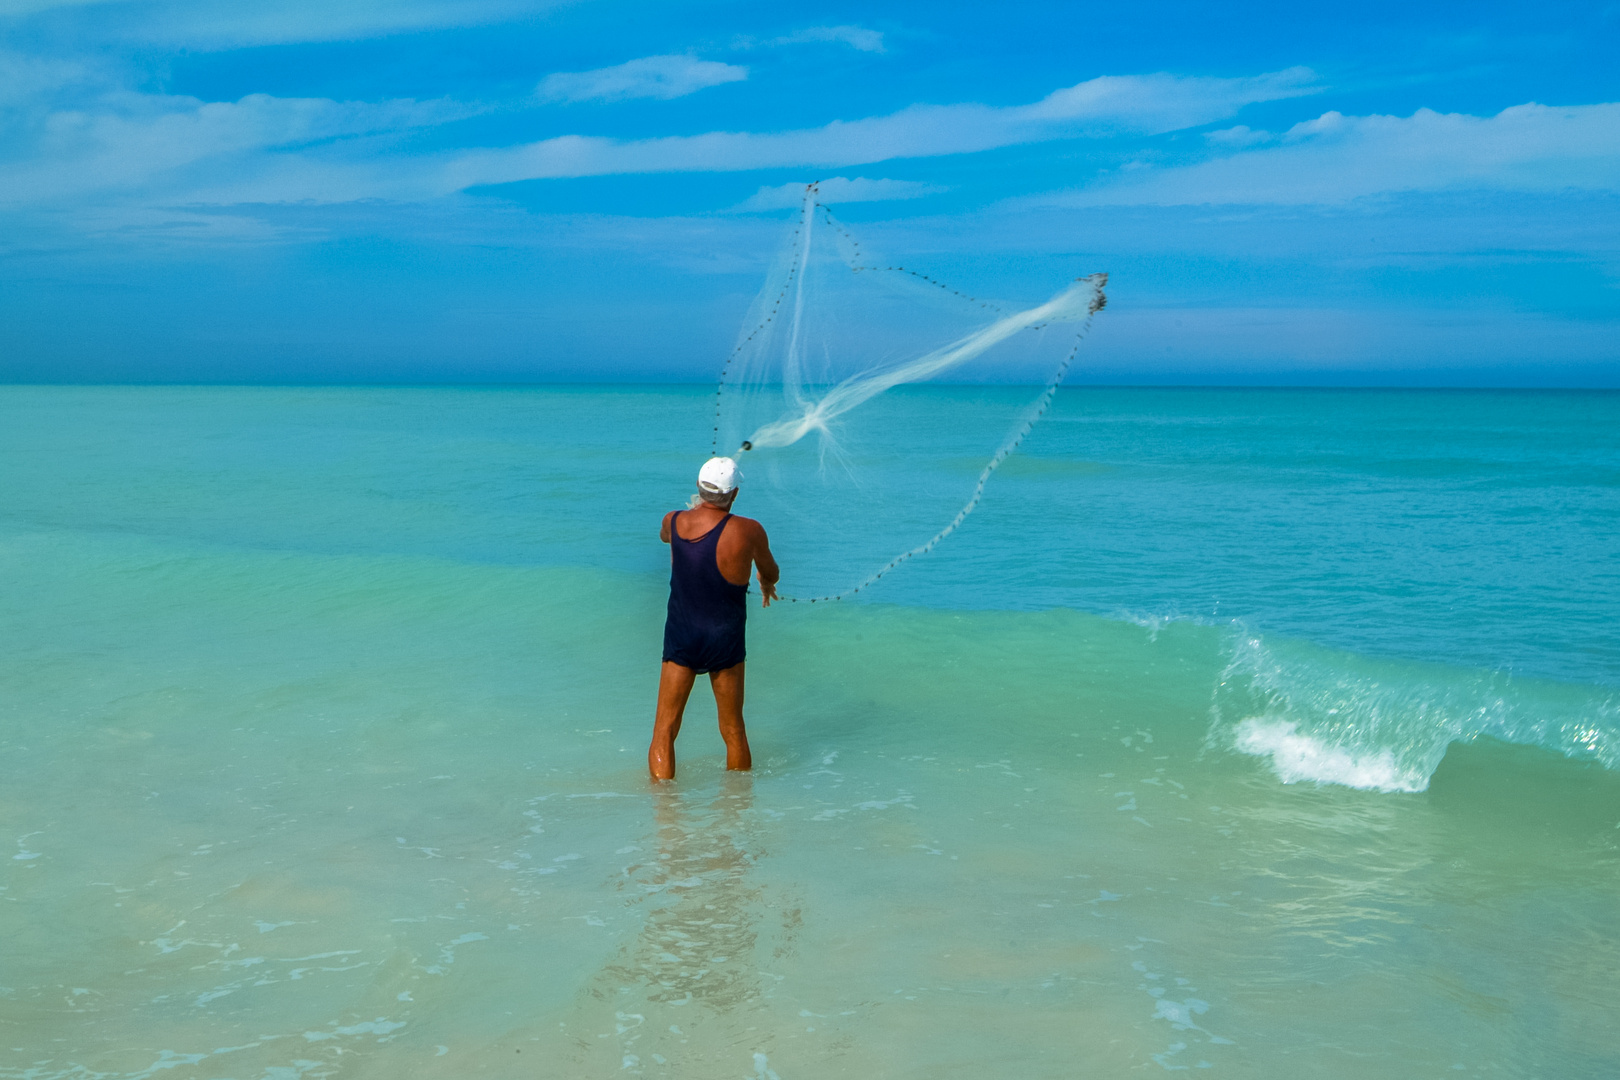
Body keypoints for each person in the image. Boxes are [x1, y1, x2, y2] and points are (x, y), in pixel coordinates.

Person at [648, 457, 779, 781]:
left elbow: (667, 536)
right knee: (733, 729)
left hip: (682, 636)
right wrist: (766, 581)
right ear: (733, 495)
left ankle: (664, 817)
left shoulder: (673, 520)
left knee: (664, 730)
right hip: (725, 640)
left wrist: (691, 513)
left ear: (698, 487)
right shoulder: (749, 530)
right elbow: (771, 571)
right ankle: (735, 814)